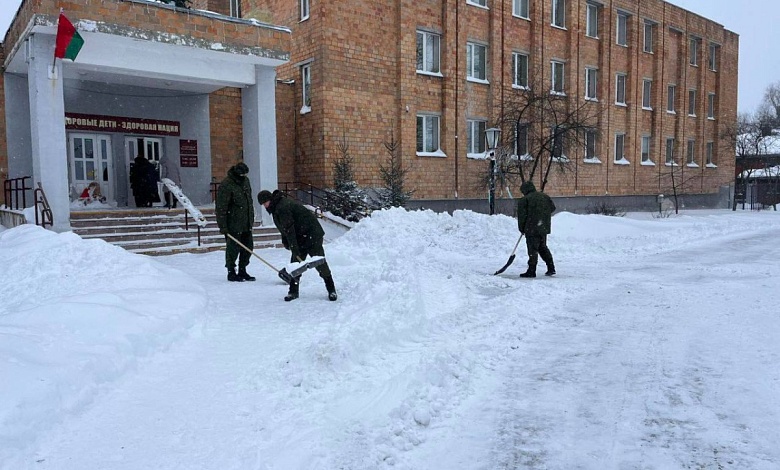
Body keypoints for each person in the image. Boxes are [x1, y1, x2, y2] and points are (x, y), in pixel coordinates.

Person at [257, 189, 337, 301]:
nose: (265, 206)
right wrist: (286, 242)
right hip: (300, 236)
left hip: (311, 235)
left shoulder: (282, 207)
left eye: (265, 202)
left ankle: (331, 289)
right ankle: (293, 291)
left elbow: (289, 229)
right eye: (263, 204)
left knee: (319, 262)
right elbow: (284, 228)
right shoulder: (277, 207)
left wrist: (294, 247)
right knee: (295, 264)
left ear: (270, 199)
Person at [216, 162, 256, 282]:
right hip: (233, 223)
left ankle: (242, 270)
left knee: (248, 247)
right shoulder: (227, 185)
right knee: (232, 249)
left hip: (246, 222)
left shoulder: (246, 181)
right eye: (242, 174)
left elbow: (249, 201)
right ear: (237, 173)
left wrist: (251, 218)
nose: (244, 176)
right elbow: (221, 207)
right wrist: (223, 226)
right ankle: (231, 271)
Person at [516, 180, 556, 278]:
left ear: (525, 190)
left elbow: (522, 216)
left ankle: (531, 270)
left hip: (531, 228)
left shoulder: (525, 200)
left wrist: (522, 228)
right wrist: (541, 215)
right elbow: (552, 208)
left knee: (532, 250)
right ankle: (551, 267)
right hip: (543, 227)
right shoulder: (544, 196)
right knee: (543, 247)